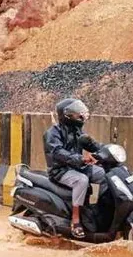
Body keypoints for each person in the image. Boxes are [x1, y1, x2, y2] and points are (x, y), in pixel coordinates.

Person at [44, 98, 108, 238]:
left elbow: (92, 145)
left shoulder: (77, 131)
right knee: (82, 180)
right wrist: (81, 159)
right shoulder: (53, 133)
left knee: (103, 174)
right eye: (77, 113)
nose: (80, 116)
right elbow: (58, 152)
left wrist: (107, 150)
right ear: (67, 115)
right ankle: (76, 220)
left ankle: (103, 210)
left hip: (77, 167)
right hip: (60, 170)